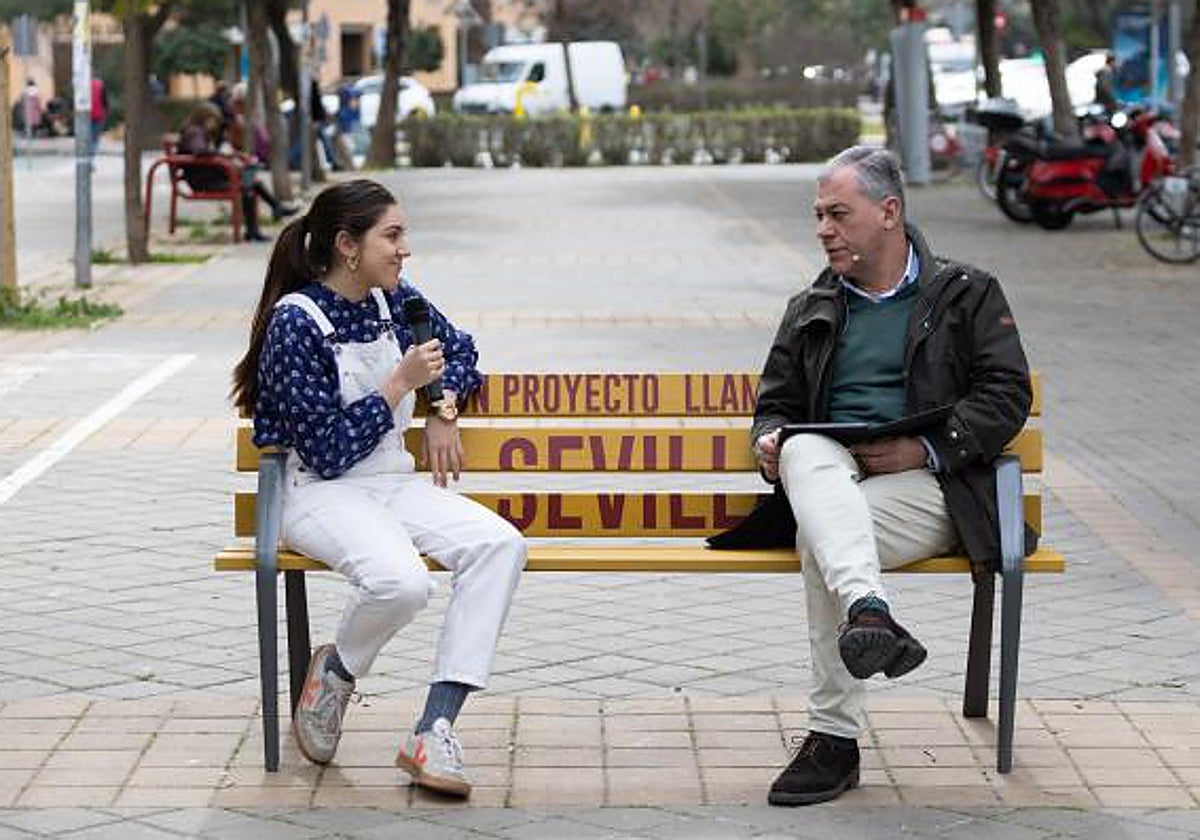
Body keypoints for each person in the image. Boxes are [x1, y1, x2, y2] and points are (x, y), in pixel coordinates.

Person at [718, 146, 1032, 806]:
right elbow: (776, 403)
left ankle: (833, 740)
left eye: (838, 214)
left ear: (889, 212)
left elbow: (1005, 394)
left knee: (820, 540)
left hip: (936, 489)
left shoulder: (965, 294)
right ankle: (869, 613)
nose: (823, 230)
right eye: (817, 216)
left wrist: (926, 449)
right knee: (804, 453)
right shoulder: (811, 307)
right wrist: (769, 441)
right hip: (833, 475)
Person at [229, 179, 527, 798]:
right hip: (316, 491)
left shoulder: (398, 303)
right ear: (347, 246)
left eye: (403, 234)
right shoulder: (296, 323)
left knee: (499, 545)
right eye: (392, 236)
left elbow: (463, 352)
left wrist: (441, 406)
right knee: (401, 582)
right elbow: (328, 451)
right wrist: (397, 385)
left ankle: (434, 728)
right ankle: (334, 674)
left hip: (391, 478)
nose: (404, 250)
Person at [177, 103, 294, 242]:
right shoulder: (195, 132)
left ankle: (273, 211)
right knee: (247, 187)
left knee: (251, 182)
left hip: (206, 177)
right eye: (213, 120)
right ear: (204, 118)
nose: (214, 124)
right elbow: (200, 151)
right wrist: (223, 155)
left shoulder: (198, 131)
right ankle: (255, 229)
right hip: (203, 181)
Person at [89, 76, 108, 156]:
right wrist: (106, 111)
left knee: (88, 137)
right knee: (95, 138)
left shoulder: (83, 84)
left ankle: (88, 157)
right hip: (99, 114)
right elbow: (104, 100)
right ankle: (91, 158)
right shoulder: (101, 84)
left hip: (86, 115)